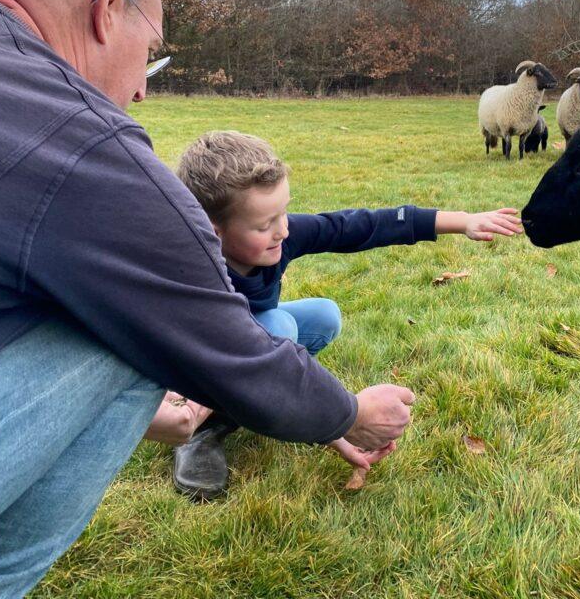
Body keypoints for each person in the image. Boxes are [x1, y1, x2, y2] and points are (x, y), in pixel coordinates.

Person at [0, 0, 412, 599]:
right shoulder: (78, 138)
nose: (144, 87)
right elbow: (218, 342)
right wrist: (349, 413)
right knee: (127, 332)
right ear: (107, 6)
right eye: (150, 52)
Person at [144, 131, 524, 499]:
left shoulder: (282, 234)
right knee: (278, 328)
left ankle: (234, 403)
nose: (283, 231)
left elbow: (360, 225)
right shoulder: (193, 271)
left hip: (251, 334)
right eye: (264, 225)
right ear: (214, 231)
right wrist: (339, 427)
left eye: (284, 214)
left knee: (324, 316)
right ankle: (203, 431)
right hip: (204, 358)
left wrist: (464, 221)